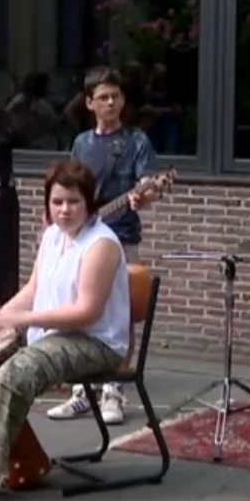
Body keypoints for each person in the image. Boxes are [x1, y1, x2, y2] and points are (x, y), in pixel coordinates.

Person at [0, 159, 130, 501]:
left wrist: (23, 321)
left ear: (89, 203)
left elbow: (86, 312)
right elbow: (35, 287)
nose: (64, 210)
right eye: (57, 202)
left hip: (96, 342)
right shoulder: (53, 235)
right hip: (51, 334)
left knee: (13, 374)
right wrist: (2, 318)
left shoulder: (102, 245)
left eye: (73, 202)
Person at [49, 66, 157, 426]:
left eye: (117, 97)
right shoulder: (81, 143)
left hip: (122, 238)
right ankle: (83, 392)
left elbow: (148, 185)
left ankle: (114, 392)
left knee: (121, 317)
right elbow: (73, 189)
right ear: (90, 102)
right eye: (104, 97)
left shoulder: (137, 141)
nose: (111, 103)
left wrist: (146, 195)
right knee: (79, 310)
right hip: (83, 240)